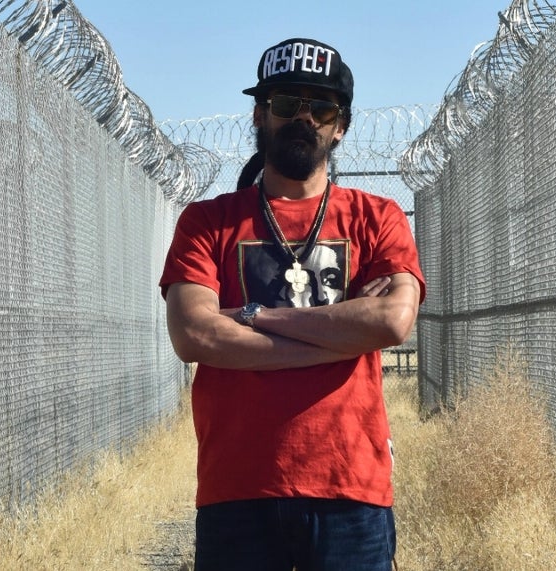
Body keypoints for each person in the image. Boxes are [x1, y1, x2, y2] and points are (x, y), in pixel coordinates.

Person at [159, 37, 426, 571]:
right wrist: (342, 334)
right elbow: (195, 336)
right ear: (259, 115)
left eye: (321, 107)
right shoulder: (207, 222)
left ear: (340, 125)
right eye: (285, 105)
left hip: (350, 487)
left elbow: (393, 321)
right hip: (238, 487)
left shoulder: (378, 218)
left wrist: (254, 316)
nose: (303, 118)